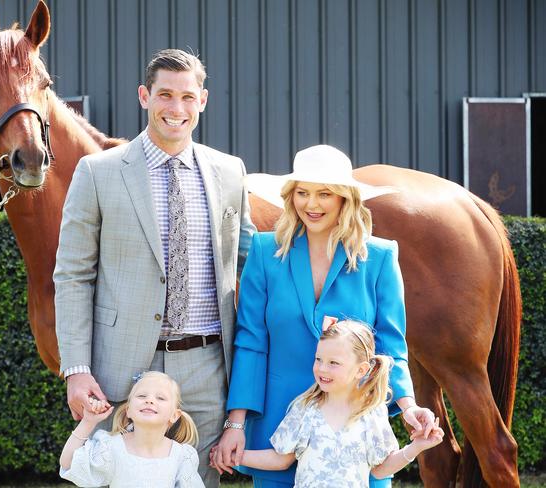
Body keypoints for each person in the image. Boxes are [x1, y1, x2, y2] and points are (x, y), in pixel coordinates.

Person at [54, 48, 255, 488]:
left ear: (202, 100)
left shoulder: (230, 172)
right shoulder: (97, 172)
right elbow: (73, 275)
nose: (176, 108)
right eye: (165, 95)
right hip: (120, 366)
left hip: (206, 369)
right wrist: (76, 367)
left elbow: (250, 269)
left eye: (187, 97)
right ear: (145, 96)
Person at [214, 144, 437, 488]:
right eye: (302, 193)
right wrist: (236, 423)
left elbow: (390, 348)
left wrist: (408, 408)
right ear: (290, 197)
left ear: (345, 199)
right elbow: (250, 344)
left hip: (353, 433)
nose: (311, 204)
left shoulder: (378, 258)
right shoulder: (263, 252)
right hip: (278, 428)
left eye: (324, 194)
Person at [211, 320, 444, 487]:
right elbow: (281, 459)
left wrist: (416, 447)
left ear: (361, 370)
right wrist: (235, 456)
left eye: (333, 363)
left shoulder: (372, 414)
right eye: (319, 359)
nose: (322, 368)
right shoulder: (304, 408)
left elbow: (380, 467)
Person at [60, 371, 205, 487]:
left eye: (160, 398)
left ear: (174, 415)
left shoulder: (182, 455)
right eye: (142, 396)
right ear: (128, 410)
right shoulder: (111, 447)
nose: (150, 400)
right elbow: (68, 463)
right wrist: (87, 422)